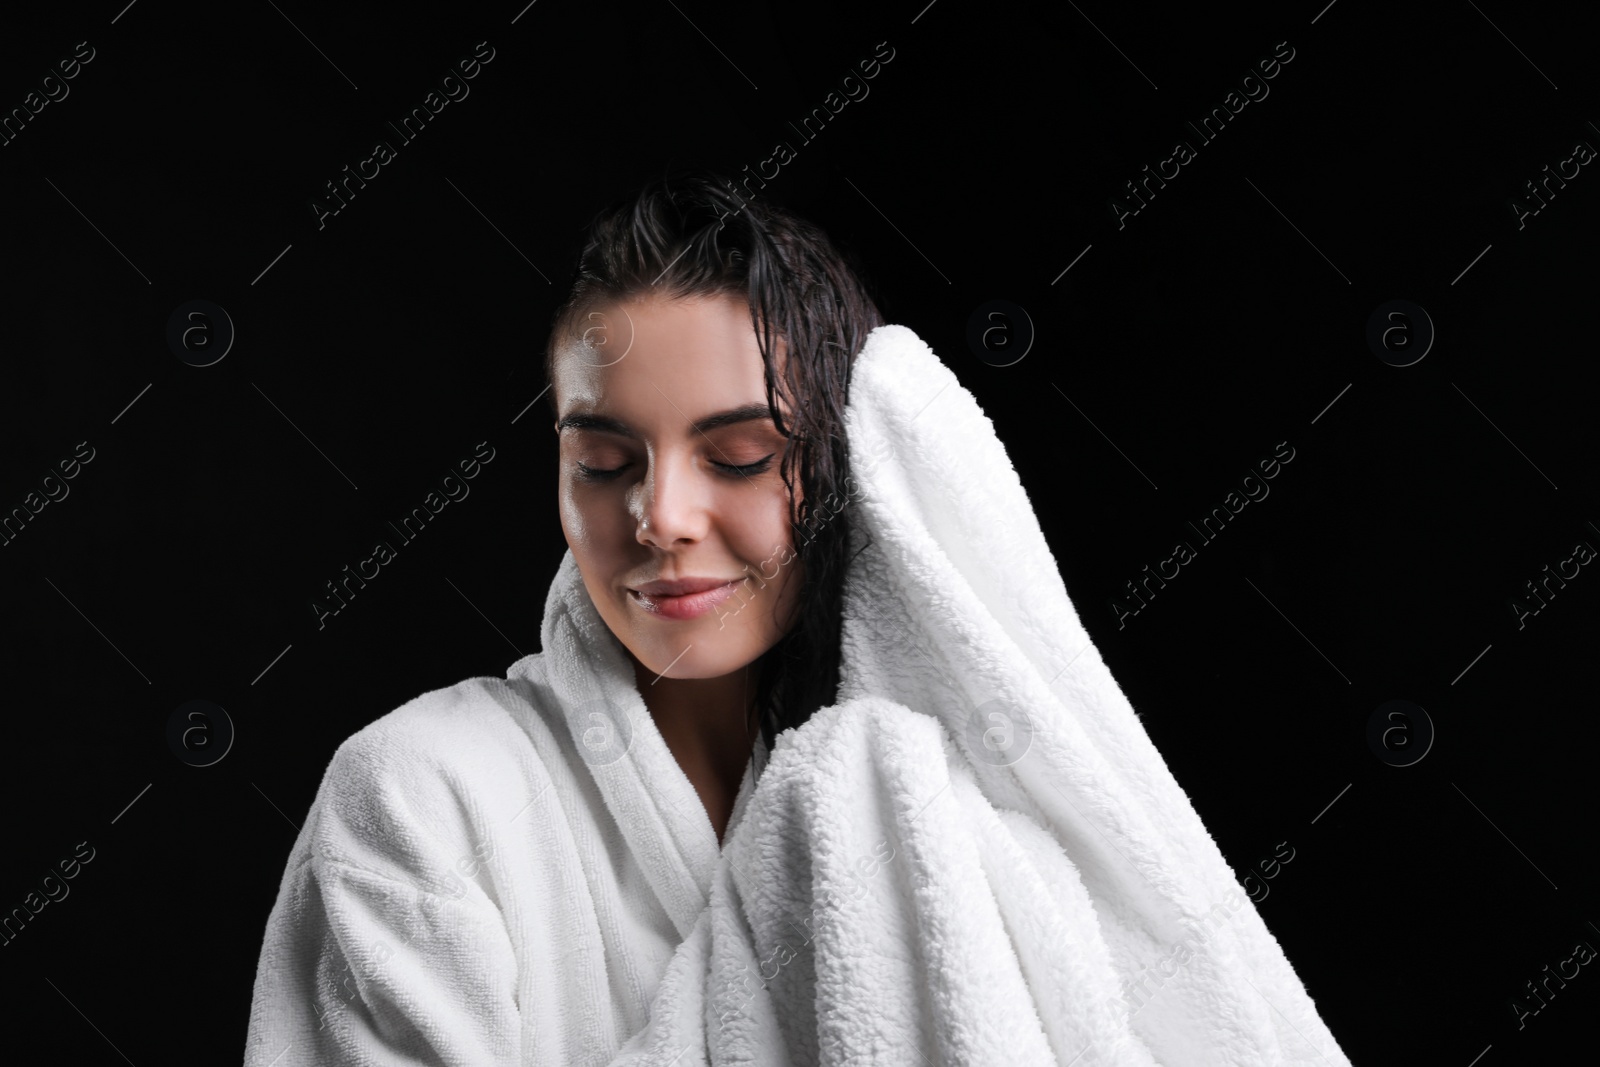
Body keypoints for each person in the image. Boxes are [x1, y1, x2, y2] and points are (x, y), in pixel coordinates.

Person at [241, 171, 885, 1065]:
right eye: (604, 462)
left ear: (852, 459)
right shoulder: (421, 795)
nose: (661, 517)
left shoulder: (917, 789)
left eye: (741, 456)